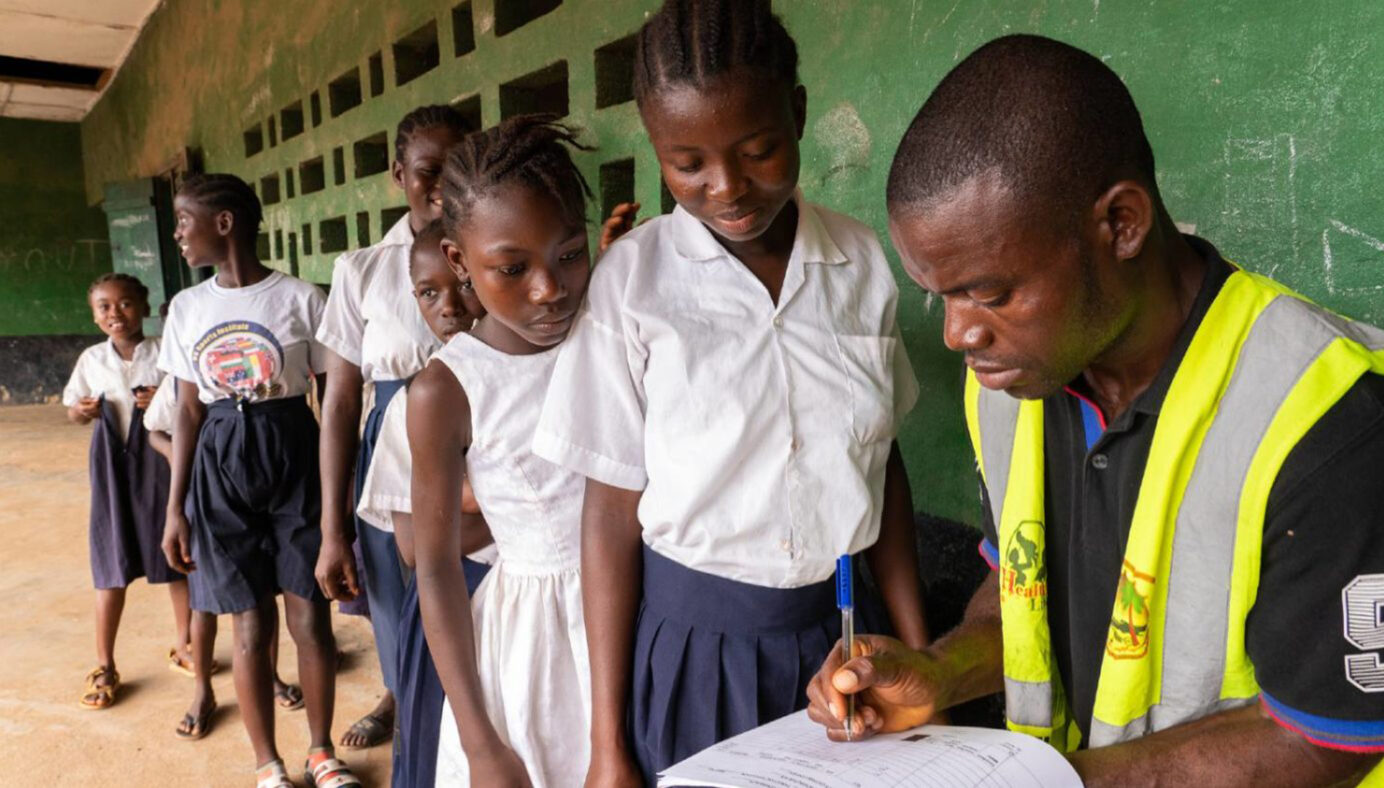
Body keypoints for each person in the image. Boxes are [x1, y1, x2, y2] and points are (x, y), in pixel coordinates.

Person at [806, 34, 1384, 786]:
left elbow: (1322, 741)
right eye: (940, 294)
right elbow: (1019, 593)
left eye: (990, 293)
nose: (959, 333)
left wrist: (1049, 781)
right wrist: (937, 670)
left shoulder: (1334, 424)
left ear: (1120, 223)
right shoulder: (1008, 386)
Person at [533, 1, 928, 783]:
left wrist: (922, 659)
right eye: (689, 165)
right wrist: (606, 742)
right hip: (696, 653)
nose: (729, 187)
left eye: (759, 150)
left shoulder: (861, 261)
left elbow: (881, 466)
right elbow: (609, 517)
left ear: (800, 114)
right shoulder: (633, 284)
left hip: (850, 639)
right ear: (656, 151)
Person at [408, 114, 597, 787]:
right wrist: (479, 740)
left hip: (640, 614)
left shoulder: (611, 332)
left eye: (571, 253)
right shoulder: (447, 389)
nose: (550, 289)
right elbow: (433, 570)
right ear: (459, 261)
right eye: (512, 268)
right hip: (535, 650)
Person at [159, 174, 360, 788]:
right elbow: (188, 411)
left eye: (184, 222)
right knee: (249, 622)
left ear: (224, 223)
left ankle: (320, 752)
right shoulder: (187, 308)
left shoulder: (302, 299)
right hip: (218, 467)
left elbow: (333, 410)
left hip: (293, 455)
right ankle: (267, 764)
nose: (177, 236)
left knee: (310, 617)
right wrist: (176, 507)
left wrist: (333, 519)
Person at [314, 104, 473, 752]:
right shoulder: (363, 270)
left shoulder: (491, 247)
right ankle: (402, 696)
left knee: (474, 589)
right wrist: (332, 528)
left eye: (455, 170)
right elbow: (341, 402)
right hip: (390, 449)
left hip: (479, 441)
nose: (439, 186)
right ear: (397, 173)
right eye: (426, 171)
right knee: (392, 596)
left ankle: (462, 717)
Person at [144, 374, 305, 741]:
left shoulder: (240, 367)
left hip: (240, 488)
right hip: (197, 496)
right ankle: (203, 690)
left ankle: (271, 675)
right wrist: (176, 454)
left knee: (261, 595)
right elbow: (153, 428)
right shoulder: (182, 376)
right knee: (203, 602)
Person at [63, 273, 185, 711]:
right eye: (104, 307)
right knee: (111, 559)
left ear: (144, 306)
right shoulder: (91, 359)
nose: (116, 313)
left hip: (156, 458)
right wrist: (82, 411)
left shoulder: (163, 353)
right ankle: (105, 661)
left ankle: (185, 643)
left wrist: (159, 401)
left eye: (126, 303)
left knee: (173, 552)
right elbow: (74, 411)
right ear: (95, 315)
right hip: (112, 464)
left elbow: (181, 404)